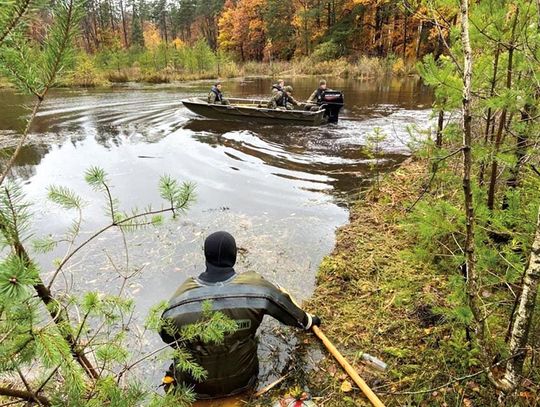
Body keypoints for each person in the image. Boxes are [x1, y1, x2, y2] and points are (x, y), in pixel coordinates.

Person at [160, 231, 321, 400]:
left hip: (193, 388)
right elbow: (291, 315)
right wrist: (310, 321)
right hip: (244, 381)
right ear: (234, 256)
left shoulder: (179, 301)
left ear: (206, 256)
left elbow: (167, 337)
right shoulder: (257, 289)